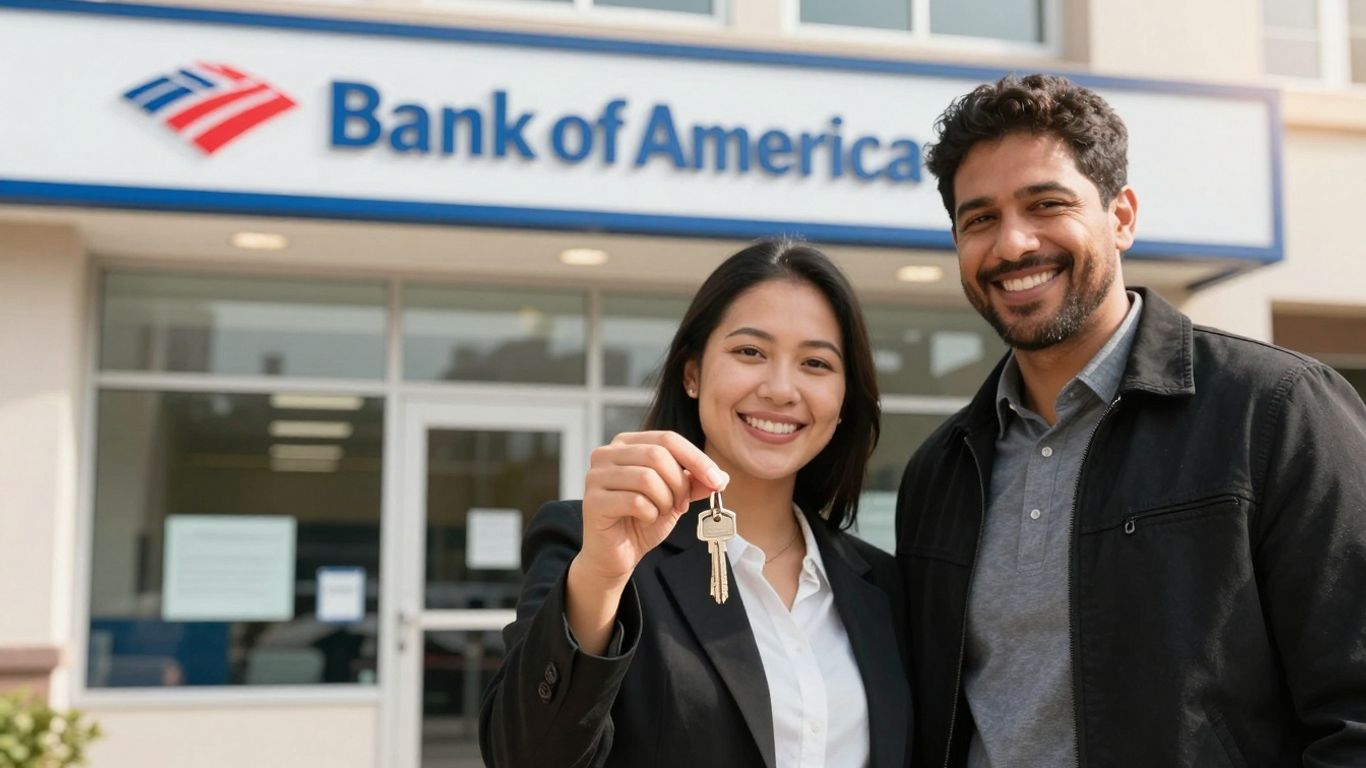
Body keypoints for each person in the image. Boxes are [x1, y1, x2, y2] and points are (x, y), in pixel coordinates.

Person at [895, 73, 1366, 768]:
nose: (1013, 244)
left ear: (1122, 218)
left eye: (1045, 204)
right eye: (980, 219)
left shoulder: (1275, 410)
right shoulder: (941, 470)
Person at [480, 239, 911, 768]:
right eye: (750, 351)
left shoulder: (882, 588)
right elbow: (523, 757)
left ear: (844, 399)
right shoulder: (591, 544)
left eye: (816, 363)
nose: (780, 389)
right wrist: (602, 575)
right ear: (692, 373)